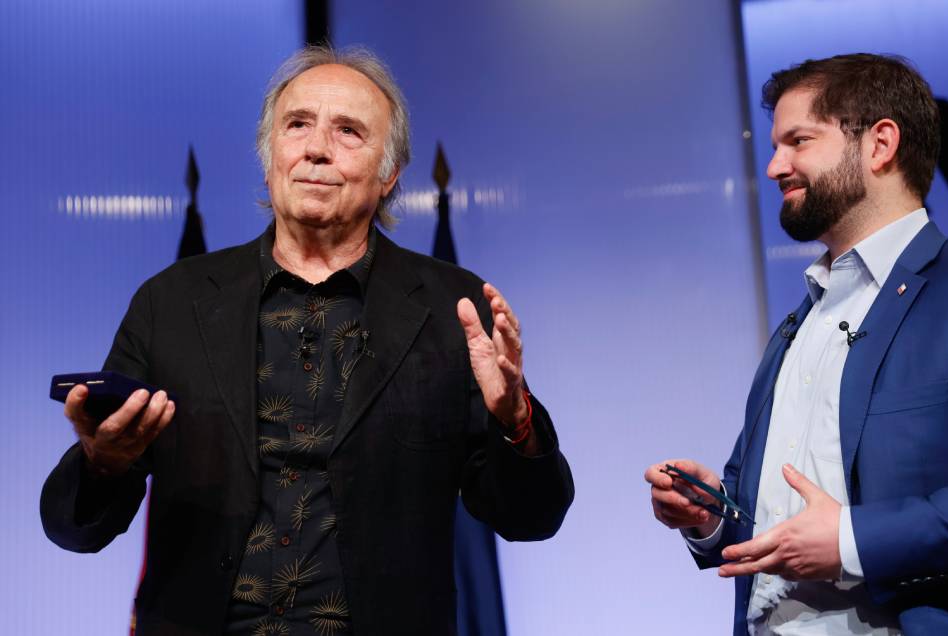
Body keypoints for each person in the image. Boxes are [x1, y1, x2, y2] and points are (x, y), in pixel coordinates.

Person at [41, 44, 573, 635]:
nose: (316, 149)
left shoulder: (453, 307)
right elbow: (72, 528)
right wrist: (102, 462)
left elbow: (533, 517)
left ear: (389, 174)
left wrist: (515, 419)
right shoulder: (171, 302)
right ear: (270, 157)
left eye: (348, 132)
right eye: (297, 126)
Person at [645, 53, 948, 635]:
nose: (776, 165)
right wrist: (713, 516)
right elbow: (779, 526)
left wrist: (852, 541)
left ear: (880, 144)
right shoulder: (800, 321)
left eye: (798, 141)